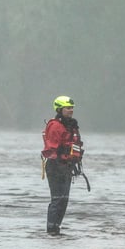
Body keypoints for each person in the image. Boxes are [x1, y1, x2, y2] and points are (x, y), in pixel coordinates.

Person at [41, 95, 84, 235]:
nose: (71, 110)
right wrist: (61, 163)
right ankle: (51, 231)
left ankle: (56, 229)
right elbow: (52, 149)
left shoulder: (71, 126)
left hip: (67, 166)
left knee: (64, 201)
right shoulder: (55, 126)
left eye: (72, 108)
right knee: (57, 200)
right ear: (60, 109)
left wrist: (73, 162)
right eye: (67, 108)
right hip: (55, 166)